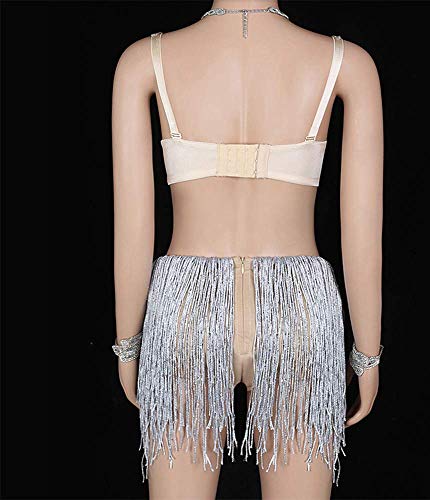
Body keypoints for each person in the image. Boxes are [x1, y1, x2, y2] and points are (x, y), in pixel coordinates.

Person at [111, 1, 384, 498]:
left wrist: (128, 346)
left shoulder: (143, 61)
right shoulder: (348, 63)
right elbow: (362, 226)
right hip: (299, 311)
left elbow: (133, 221)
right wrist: (367, 354)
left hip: (186, 311)